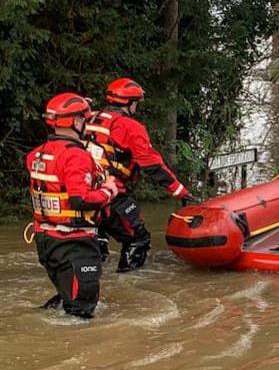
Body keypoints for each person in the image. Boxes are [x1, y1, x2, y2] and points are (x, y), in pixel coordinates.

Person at [86, 77, 197, 273]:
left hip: (84, 193)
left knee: (95, 237)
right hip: (111, 193)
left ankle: (93, 267)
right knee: (138, 238)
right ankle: (127, 283)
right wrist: (179, 190)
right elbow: (151, 164)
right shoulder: (130, 127)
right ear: (131, 103)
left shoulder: (91, 118)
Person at [27, 93, 119, 319]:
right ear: (76, 122)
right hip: (74, 242)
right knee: (82, 313)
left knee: (69, 300)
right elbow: (80, 199)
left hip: (47, 240)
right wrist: (108, 191)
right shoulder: (76, 156)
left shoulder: (37, 153)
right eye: (84, 119)